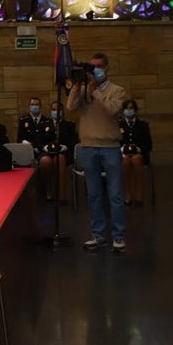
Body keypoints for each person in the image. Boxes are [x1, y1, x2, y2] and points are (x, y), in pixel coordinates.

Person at [65, 53, 127, 253]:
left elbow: (113, 110)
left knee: (115, 195)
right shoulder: (84, 89)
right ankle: (98, 235)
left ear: (107, 67)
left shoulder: (118, 90)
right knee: (93, 195)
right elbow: (70, 106)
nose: (95, 70)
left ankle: (118, 236)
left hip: (110, 147)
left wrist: (96, 90)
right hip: (88, 146)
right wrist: (78, 85)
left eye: (99, 66)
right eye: (92, 67)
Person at [41, 101, 78, 202]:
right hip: (47, 152)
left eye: (58, 109)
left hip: (64, 153)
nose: (55, 112)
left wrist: (64, 147)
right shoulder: (44, 124)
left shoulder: (69, 125)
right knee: (45, 161)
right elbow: (38, 141)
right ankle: (49, 192)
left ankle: (62, 195)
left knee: (60, 159)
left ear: (62, 111)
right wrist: (45, 147)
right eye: (53, 109)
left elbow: (74, 142)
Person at [120, 99, 153, 205]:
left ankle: (139, 193)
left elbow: (148, 144)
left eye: (131, 108)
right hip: (123, 154)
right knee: (124, 161)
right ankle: (127, 194)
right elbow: (115, 141)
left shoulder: (142, 125)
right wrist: (122, 149)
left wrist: (138, 149)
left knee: (136, 159)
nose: (128, 111)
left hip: (139, 154)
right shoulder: (118, 125)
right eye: (126, 108)